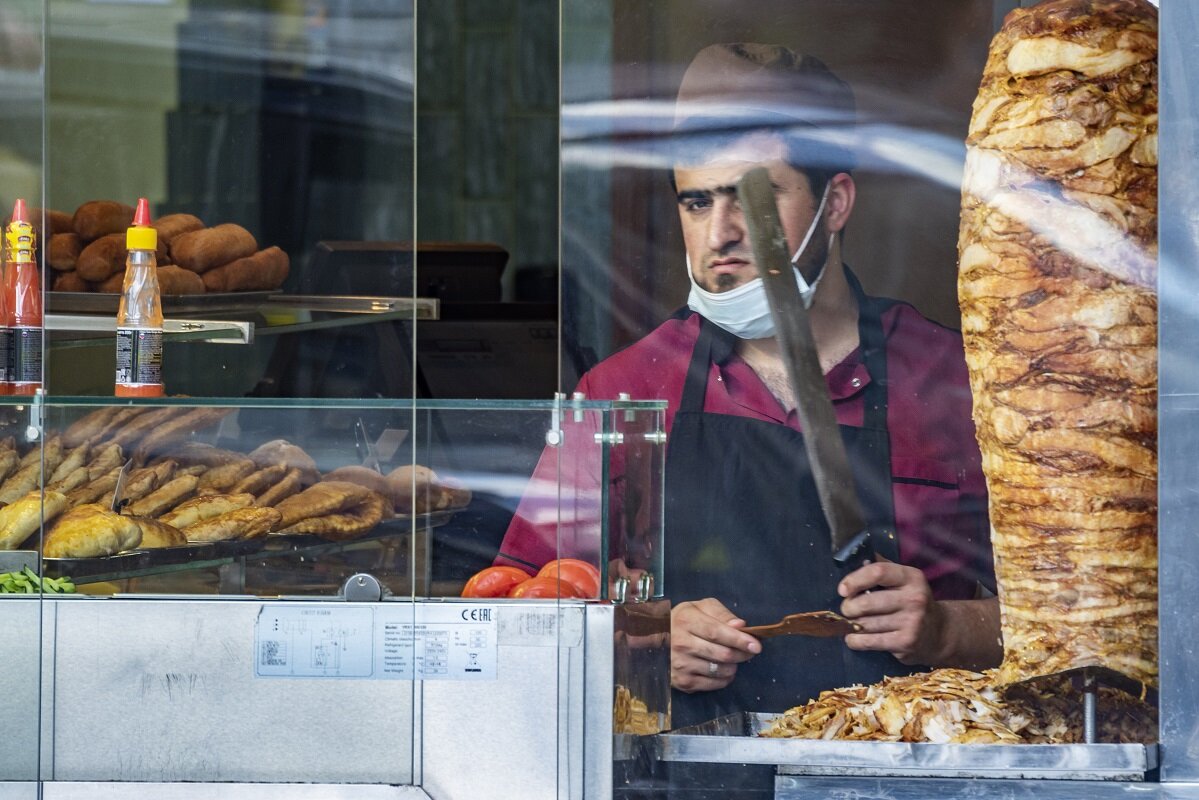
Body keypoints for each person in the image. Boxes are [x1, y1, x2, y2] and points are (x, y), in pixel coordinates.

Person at [496, 42, 999, 731]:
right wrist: (639, 643)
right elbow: (513, 618)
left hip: (897, 771)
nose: (722, 234)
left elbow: (1084, 622)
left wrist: (949, 628)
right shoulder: (624, 390)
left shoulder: (956, 385)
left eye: (756, 198)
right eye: (696, 202)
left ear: (836, 202)